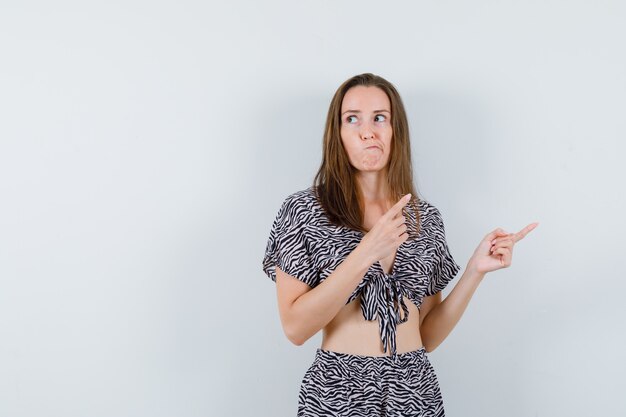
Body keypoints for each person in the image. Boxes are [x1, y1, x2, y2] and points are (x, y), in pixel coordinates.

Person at [261, 73, 538, 417]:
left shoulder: (426, 219)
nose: (368, 131)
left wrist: (474, 272)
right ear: (338, 133)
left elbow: (428, 335)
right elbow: (295, 328)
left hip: (414, 387)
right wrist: (365, 252)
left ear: (395, 131)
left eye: (380, 118)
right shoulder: (304, 211)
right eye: (352, 119)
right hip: (339, 387)